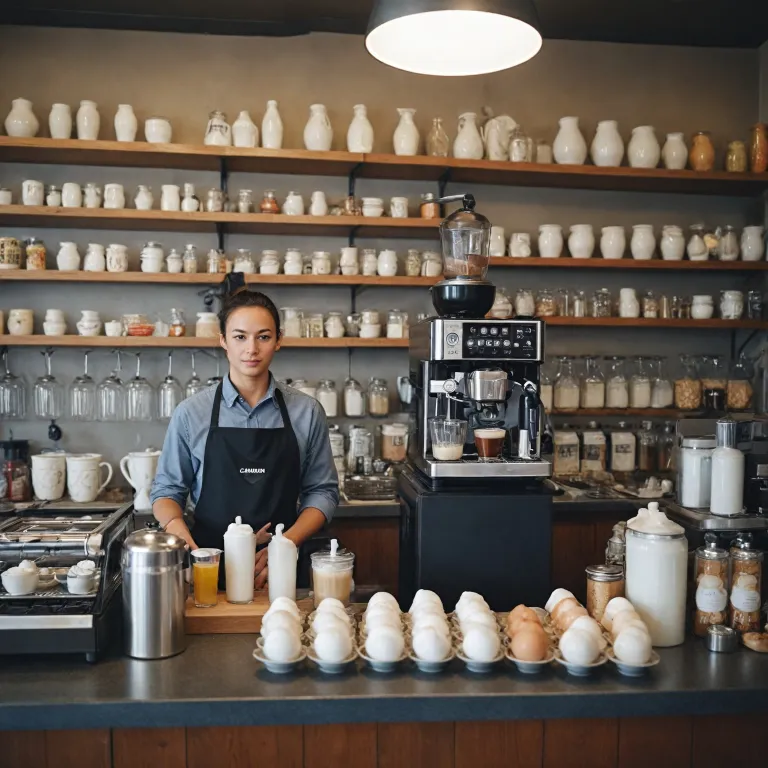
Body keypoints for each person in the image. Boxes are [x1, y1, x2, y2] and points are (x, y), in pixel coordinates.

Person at [151, 288, 339, 588]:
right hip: (207, 569)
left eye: (263, 337)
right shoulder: (191, 413)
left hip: (280, 569)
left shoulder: (306, 411)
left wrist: (285, 545)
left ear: (278, 340)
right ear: (222, 340)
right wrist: (185, 542)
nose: (251, 349)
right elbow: (166, 491)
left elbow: (323, 492)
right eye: (240, 337)